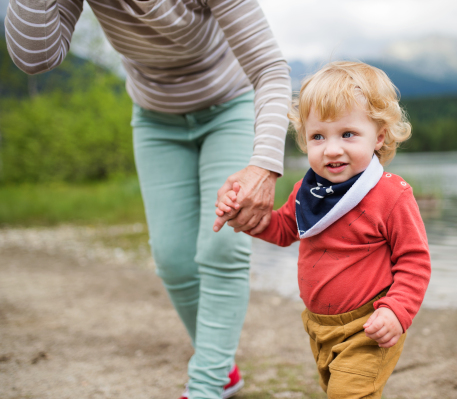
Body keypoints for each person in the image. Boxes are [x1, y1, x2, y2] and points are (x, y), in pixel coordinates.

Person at [5, 1, 291, 398]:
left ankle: (207, 384)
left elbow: (270, 69)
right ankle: (221, 367)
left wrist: (264, 165)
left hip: (230, 105)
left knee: (223, 246)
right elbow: (36, 57)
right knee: (172, 259)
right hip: (156, 118)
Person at [214, 61, 431, 398]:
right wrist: (246, 218)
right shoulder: (308, 190)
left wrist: (396, 311)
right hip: (319, 326)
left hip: (369, 324)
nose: (331, 149)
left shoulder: (390, 193)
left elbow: (414, 261)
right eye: (318, 136)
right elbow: (285, 228)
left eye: (348, 134)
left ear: (380, 136)